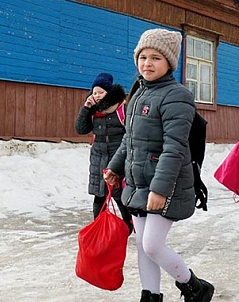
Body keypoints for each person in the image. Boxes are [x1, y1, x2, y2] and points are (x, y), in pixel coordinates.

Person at [104, 28, 214, 302]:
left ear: (169, 63)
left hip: (166, 185)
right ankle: (150, 295)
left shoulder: (177, 96)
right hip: (139, 183)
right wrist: (115, 167)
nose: (147, 63)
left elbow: (175, 147)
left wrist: (160, 189)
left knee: (152, 245)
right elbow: (130, 139)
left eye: (155, 58)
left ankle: (195, 286)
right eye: (143, 57)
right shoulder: (138, 93)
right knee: (143, 246)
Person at [74, 72, 132, 232]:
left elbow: (131, 132)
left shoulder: (121, 108)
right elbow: (81, 129)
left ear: (109, 92)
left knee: (118, 193)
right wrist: (86, 108)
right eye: (95, 92)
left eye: (101, 92)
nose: (97, 96)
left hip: (117, 154)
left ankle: (128, 225)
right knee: (99, 194)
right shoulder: (93, 109)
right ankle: (99, 228)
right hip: (98, 156)